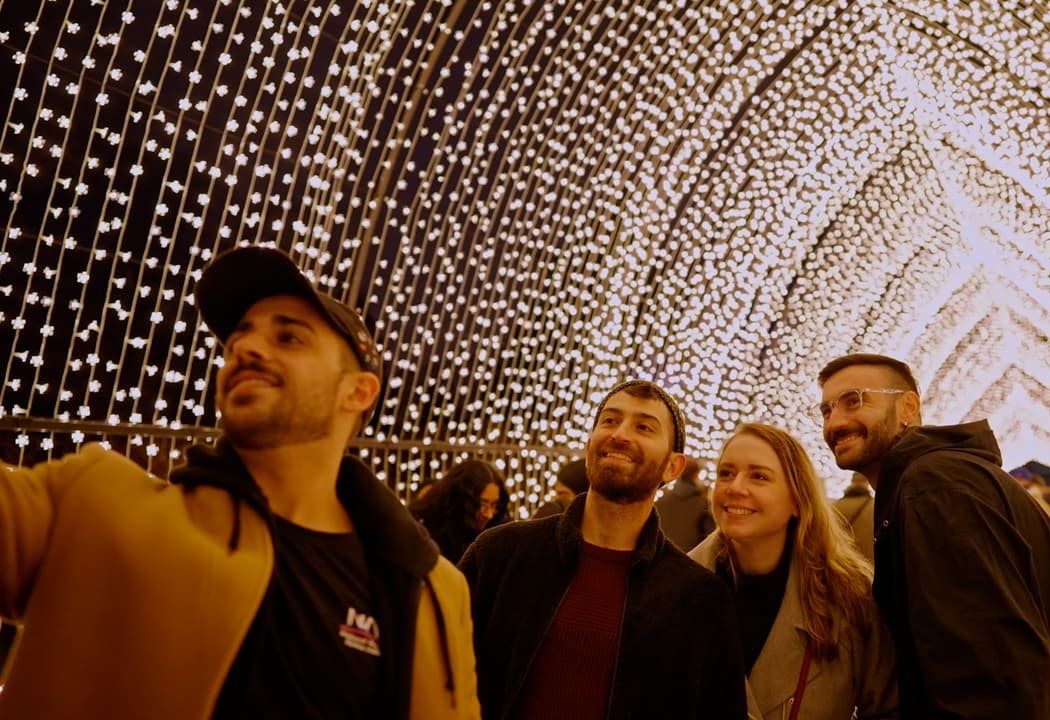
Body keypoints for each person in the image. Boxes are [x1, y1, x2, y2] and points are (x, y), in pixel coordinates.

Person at [0, 246, 479, 719]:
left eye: (289, 338)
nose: (246, 348)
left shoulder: (434, 592)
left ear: (357, 391)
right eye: (237, 340)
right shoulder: (95, 502)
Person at [816, 352, 1050, 718]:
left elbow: (992, 673)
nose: (836, 422)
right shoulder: (932, 481)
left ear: (908, 407)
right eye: (826, 411)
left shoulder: (936, 486)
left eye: (855, 400)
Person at [458, 379, 747, 719]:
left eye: (644, 427)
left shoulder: (698, 598)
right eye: (610, 420)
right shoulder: (500, 556)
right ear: (589, 444)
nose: (620, 434)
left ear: (673, 467)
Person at [690, 423, 898, 719]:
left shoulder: (851, 597)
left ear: (797, 502)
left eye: (759, 476)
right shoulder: (677, 591)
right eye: (726, 473)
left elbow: (888, 709)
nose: (735, 487)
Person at [412, 459, 510, 563]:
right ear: (461, 499)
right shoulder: (426, 531)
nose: (489, 514)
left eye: (494, 505)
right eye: (482, 503)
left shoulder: (496, 535)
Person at [656, 457, 716, 551]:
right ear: (695, 475)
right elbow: (711, 538)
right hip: (690, 559)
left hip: (662, 557)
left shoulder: (662, 501)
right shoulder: (702, 504)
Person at [832, 472, 876, 562]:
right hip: (869, 565)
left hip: (842, 564)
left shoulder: (835, 507)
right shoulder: (876, 507)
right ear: (867, 483)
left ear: (852, 481)